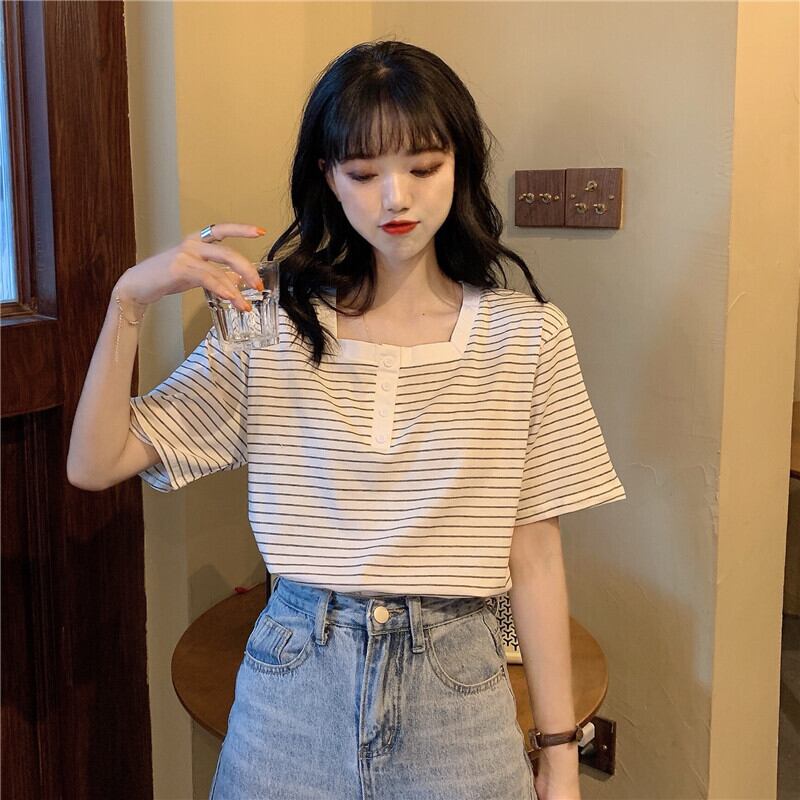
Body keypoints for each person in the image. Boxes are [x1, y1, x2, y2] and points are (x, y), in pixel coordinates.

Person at [67, 39, 626, 800]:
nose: (396, 198)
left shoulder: (527, 338)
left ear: (459, 165)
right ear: (327, 177)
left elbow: (535, 556)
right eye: (363, 173)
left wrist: (560, 756)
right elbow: (95, 463)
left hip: (458, 693)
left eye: (423, 167)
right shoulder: (269, 326)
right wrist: (127, 302)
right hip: (292, 687)